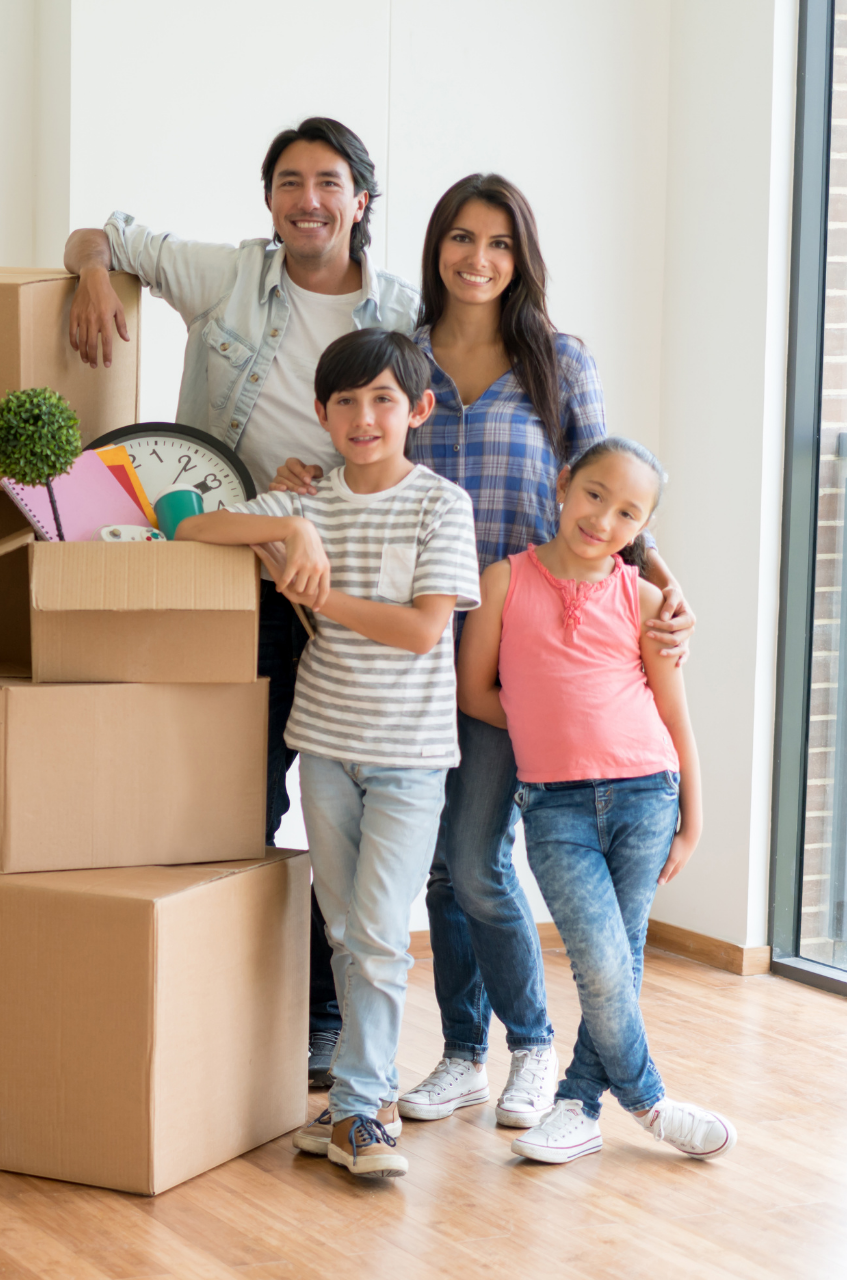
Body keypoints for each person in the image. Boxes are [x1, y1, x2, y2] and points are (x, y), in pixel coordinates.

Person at [271, 175, 695, 1128]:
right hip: (407, 658)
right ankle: (461, 1052)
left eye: (499, 244)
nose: (478, 259)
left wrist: (663, 582)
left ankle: (531, 1046)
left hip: (525, 649)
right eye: (462, 239)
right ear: (436, 249)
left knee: (477, 864)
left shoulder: (557, 362)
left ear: (521, 258)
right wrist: (299, 476)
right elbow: (356, 446)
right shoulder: (404, 356)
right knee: (435, 873)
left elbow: (610, 492)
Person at [63, 118, 421, 1087]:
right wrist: (95, 271)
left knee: (360, 814)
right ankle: (232, 1010)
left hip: (354, 596)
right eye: (290, 181)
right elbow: (103, 233)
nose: (310, 198)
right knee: (239, 805)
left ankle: (328, 1019)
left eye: (329, 181)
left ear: (362, 201)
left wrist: (349, 469)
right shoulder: (227, 276)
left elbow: (422, 430)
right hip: (239, 584)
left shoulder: (400, 306)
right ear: (270, 199)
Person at [174, 328, 481, 1179]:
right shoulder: (306, 503)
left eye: (383, 398)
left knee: (380, 933)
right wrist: (289, 537)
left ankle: (357, 1112)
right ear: (320, 413)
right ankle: (356, 1107)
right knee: (347, 931)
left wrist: (321, 588)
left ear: (417, 410)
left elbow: (424, 630)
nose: (363, 416)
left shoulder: (440, 504)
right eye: (344, 400)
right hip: (324, 746)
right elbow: (184, 523)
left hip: (410, 756)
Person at [457, 437, 734, 1163]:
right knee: (602, 963)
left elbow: (676, 717)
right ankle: (650, 1103)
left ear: (642, 530)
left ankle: (577, 1107)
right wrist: (548, 723)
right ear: (562, 485)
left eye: (627, 513)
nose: (604, 518)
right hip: (555, 807)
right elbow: (474, 691)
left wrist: (694, 819)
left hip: (648, 794)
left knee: (622, 959)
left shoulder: (643, 599)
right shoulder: (503, 582)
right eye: (594, 495)